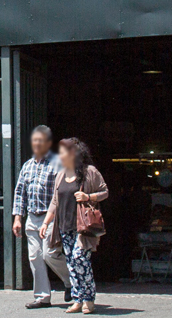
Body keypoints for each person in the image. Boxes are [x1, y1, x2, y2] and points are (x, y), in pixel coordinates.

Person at [43, 137, 108, 314]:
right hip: (65, 226)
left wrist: (88, 197)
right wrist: (46, 222)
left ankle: (88, 299)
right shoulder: (61, 174)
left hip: (82, 227)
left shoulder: (90, 172)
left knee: (80, 259)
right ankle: (78, 299)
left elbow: (104, 191)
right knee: (71, 263)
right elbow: (55, 202)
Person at [12, 125, 71, 309]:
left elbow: (61, 192)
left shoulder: (56, 164)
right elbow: (20, 193)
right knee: (35, 257)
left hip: (50, 217)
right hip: (32, 217)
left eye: (41, 140)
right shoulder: (27, 166)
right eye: (35, 140)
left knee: (49, 254)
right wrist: (17, 218)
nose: (37, 144)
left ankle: (71, 281)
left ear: (48, 143)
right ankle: (42, 297)